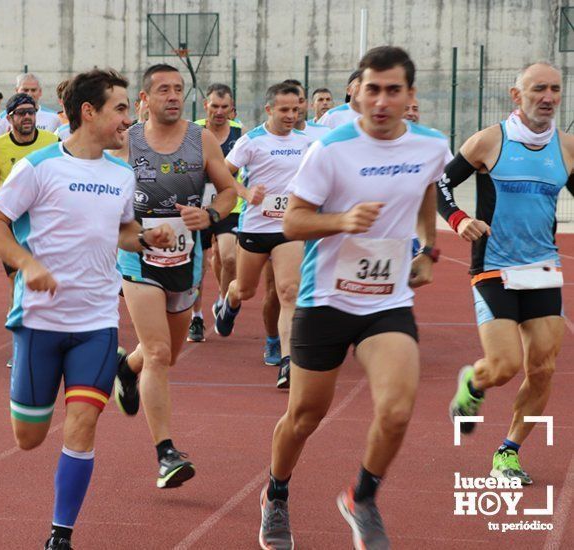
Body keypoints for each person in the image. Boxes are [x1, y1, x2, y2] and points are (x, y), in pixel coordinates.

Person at [258, 46, 449, 549]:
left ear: (409, 96)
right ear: (356, 92)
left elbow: (428, 190)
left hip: (386, 301)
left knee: (397, 410)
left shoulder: (431, 145)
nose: (381, 101)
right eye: (372, 89)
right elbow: (292, 221)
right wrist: (341, 220)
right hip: (325, 300)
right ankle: (276, 493)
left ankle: (361, 497)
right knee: (304, 417)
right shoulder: (331, 149)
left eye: (393, 90)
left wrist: (428, 248)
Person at [0, 67, 175, 550]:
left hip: (96, 323)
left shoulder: (121, 174)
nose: (130, 118)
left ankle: (60, 535)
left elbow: (123, 230)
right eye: (122, 108)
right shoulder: (40, 167)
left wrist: (146, 236)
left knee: (83, 425)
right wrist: (26, 264)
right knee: (28, 437)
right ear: (90, 112)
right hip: (40, 323)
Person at [440, 61, 570, 485]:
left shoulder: (566, 148)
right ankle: (474, 384)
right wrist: (459, 219)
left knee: (544, 368)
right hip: (494, 266)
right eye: (538, 90)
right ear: (517, 95)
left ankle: (508, 451)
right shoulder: (490, 140)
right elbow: (439, 185)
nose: (548, 97)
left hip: (543, 268)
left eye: (555, 89)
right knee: (503, 365)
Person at [113, 64, 237, 489]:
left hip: (186, 258)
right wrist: (132, 230)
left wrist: (211, 214)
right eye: (163, 89)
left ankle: (127, 368)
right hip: (138, 254)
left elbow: (228, 190)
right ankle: (166, 453)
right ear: (143, 99)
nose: (172, 95)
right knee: (160, 353)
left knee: (165, 354)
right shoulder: (125, 141)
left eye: (179, 89)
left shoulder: (199, 138)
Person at [213, 83, 312, 390]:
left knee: (289, 291)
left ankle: (287, 362)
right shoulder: (251, 141)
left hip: (288, 229)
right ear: (269, 110)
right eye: (284, 110)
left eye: (295, 109)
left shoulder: (307, 141)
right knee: (245, 289)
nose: (290, 115)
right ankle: (228, 302)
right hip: (255, 228)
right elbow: (223, 173)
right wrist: (245, 192)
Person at [0, 93, 59, 367]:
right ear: (9, 118)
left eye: (31, 112)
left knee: (53, 285)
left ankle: (51, 340)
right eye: (21, 113)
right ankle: (21, 347)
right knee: (19, 285)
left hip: (48, 226)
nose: (27, 117)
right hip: (13, 229)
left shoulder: (52, 142)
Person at [187, 83, 244, 343]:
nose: (219, 112)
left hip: (229, 205)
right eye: (215, 106)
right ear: (205, 106)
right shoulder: (193, 131)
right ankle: (196, 317)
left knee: (229, 258)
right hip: (198, 206)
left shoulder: (240, 132)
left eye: (224, 107)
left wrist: (246, 192)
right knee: (198, 267)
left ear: (232, 109)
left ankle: (222, 303)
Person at [0, 73, 62, 138]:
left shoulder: (54, 117)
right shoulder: (4, 117)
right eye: (25, 90)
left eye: (33, 90)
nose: (29, 94)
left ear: (40, 92)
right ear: (17, 91)